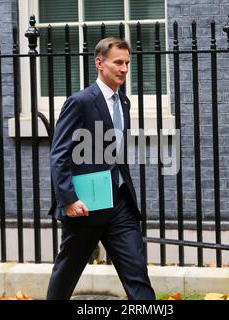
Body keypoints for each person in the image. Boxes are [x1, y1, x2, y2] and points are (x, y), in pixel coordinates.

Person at [46, 37, 155, 300]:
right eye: (118, 62)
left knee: (137, 273)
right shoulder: (81, 101)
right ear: (99, 63)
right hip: (86, 205)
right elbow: (59, 153)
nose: (124, 69)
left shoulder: (124, 102)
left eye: (127, 63)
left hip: (120, 204)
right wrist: (69, 199)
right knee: (67, 272)